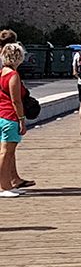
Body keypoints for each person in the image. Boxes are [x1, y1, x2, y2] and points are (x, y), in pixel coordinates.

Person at [0, 43, 30, 197]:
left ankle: (8, 184)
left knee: (6, 153)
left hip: (1, 115)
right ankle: (4, 186)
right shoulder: (13, 76)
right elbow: (16, 101)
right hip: (9, 117)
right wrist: (21, 120)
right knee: (6, 153)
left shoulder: (1, 73)